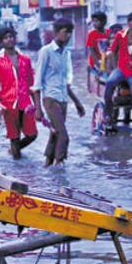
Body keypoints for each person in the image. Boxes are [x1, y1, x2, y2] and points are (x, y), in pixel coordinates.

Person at [32, 19, 86, 166]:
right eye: (65, 32)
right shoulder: (46, 52)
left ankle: (48, 164)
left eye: (70, 32)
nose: (68, 35)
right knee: (64, 135)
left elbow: (66, 83)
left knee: (55, 133)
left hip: (63, 99)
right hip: (50, 98)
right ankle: (59, 167)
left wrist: (78, 103)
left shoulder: (66, 54)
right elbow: (37, 83)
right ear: (56, 32)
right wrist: (38, 109)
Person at [0, 27, 37, 159]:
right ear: (1, 42)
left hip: (26, 103)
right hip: (8, 105)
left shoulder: (25, 59)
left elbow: (31, 83)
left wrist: (37, 106)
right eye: (6, 37)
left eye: (11, 36)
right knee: (14, 137)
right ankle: (18, 170)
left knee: (32, 135)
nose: (9, 39)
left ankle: (13, 151)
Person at [85, 11, 109, 95]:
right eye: (93, 21)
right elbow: (91, 51)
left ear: (104, 22)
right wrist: (98, 65)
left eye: (96, 21)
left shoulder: (109, 32)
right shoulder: (92, 34)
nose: (94, 23)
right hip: (96, 63)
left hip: (107, 61)